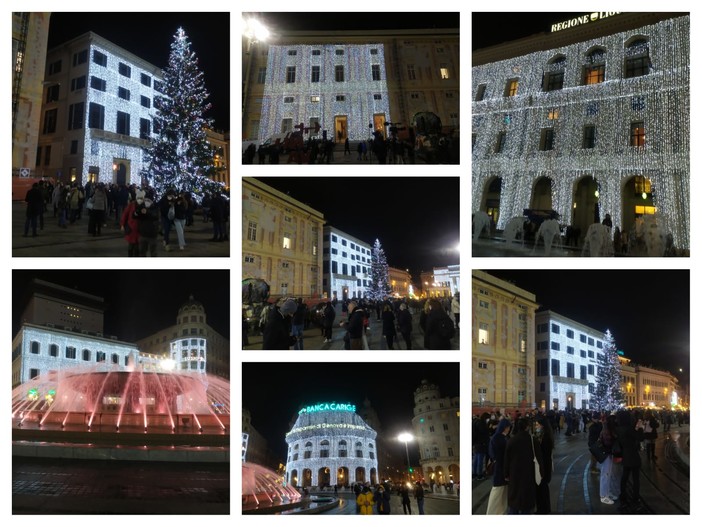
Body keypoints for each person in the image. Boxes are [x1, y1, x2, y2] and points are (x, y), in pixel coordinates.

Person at [504, 417, 543, 514]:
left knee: (514, 503)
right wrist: (541, 472)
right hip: (529, 475)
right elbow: (539, 459)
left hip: (514, 474)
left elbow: (506, 460)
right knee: (527, 503)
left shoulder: (511, 441)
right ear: (527, 427)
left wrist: (506, 474)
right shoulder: (533, 441)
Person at [616, 410, 644, 512]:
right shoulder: (629, 429)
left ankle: (623, 498)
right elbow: (640, 438)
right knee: (636, 480)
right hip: (633, 456)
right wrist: (640, 428)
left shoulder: (619, 429)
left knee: (624, 478)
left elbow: (629, 436)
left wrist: (635, 429)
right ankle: (635, 500)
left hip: (625, 456)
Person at [486, 418, 511, 514]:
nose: (508, 429)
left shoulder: (500, 437)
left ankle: (500, 512)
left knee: (503, 492)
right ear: (503, 427)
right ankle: (492, 513)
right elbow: (496, 454)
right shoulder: (498, 438)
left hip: (502, 467)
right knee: (497, 492)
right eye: (507, 427)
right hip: (500, 467)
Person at [598, 414, 620, 505]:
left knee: (608, 474)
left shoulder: (608, 429)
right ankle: (603, 496)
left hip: (608, 454)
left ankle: (607, 492)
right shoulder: (607, 431)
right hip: (606, 454)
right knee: (605, 474)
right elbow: (607, 443)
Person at [534, 416, 554, 514]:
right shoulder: (544, 435)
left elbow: (543, 453)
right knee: (542, 488)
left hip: (543, 466)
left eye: (537, 425)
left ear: (542, 425)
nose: (536, 426)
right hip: (544, 465)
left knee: (542, 488)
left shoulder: (544, 437)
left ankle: (543, 510)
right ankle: (544, 509)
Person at [133, 189, 159, 257]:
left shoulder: (155, 207)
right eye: (146, 200)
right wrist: (137, 212)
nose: (147, 202)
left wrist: (147, 212)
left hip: (152, 234)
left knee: (153, 252)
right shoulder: (141, 206)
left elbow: (156, 216)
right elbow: (134, 216)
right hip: (143, 234)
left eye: (148, 200)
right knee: (142, 252)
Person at [120, 190, 140, 256]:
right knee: (131, 245)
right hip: (131, 228)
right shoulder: (131, 205)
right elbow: (125, 214)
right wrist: (122, 224)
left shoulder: (144, 206)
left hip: (139, 229)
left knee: (137, 246)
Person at [473, 412, 490, 480]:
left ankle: (474, 474)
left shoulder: (476, 422)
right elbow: (484, 433)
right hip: (481, 443)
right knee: (480, 459)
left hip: (476, 443)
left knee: (476, 459)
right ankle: (479, 474)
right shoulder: (481, 424)